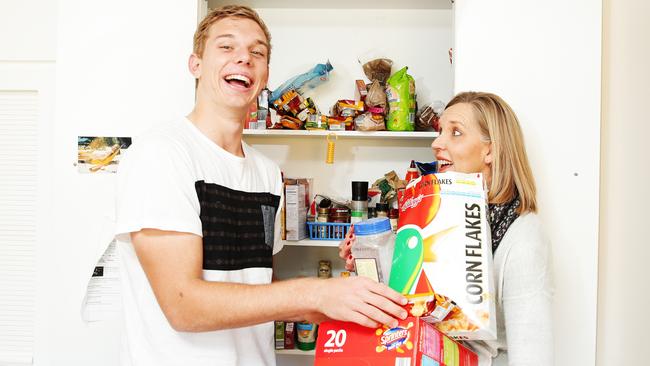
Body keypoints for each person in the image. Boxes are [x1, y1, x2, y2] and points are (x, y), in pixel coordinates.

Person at [114, 5, 407, 366]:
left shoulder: (266, 173)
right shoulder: (162, 154)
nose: (244, 59)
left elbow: (258, 288)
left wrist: (347, 288)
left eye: (257, 52)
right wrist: (314, 293)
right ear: (195, 65)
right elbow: (183, 305)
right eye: (226, 47)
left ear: (266, 73)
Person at [339, 91, 553, 365]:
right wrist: (368, 260)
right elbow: (413, 301)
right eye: (441, 131)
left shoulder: (523, 236)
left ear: (492, 150)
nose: (437, 143)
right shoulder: (438, 216)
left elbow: (532, 354)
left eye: (456, 133)